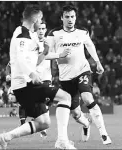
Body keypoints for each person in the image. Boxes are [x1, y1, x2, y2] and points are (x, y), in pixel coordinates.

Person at [0, 5, 75, 149]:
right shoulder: (22, 33)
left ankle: (5, 137)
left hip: (25, 86)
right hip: (26, 84)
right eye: (41, 19)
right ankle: (62, 141)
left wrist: (50, 54)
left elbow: (36, 60)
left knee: (44, 122)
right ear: (36, 19)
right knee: (66, 97)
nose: (41, 21)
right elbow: (19, 58)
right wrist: (31, 74)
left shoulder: (30, 35)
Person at [44, 4, 111, 145]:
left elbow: (90, 46)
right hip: (66, 78)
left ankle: (104, 134)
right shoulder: (53, 34)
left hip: (82, 70)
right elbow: (44, 55)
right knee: (75, 113)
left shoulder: (82, 32)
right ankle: (86, 123)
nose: (70, 19)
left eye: (72, 17)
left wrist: (97, 62)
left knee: (87, 98)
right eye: (67, 17)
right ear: (62, 18)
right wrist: (59, 54)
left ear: (76, 18)